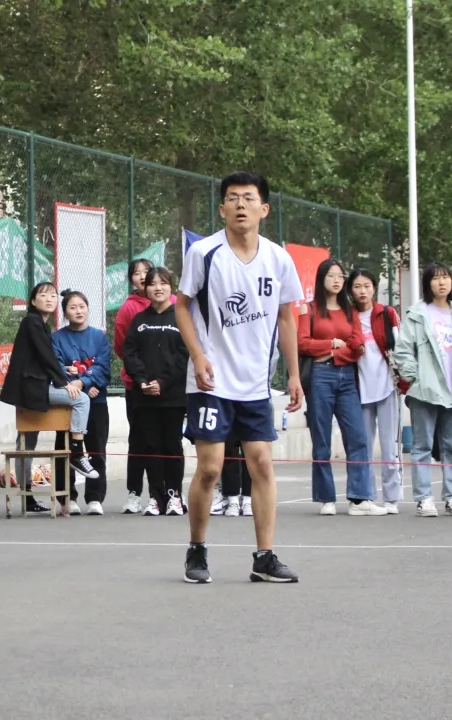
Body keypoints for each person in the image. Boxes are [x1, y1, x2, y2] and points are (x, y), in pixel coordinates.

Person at [175, 170, 304, 584]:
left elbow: (287, 318)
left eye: (248, 198)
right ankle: (197, 550)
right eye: (232, 198)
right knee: (210, 468)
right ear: (222, 209)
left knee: (262, 464)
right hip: (211, 381)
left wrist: (294, 374)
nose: (240, 205)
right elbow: (181, 306)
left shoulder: (278, 259)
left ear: (264, 209)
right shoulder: (204, 253)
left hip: (256, 384)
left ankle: (264, 558)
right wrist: (197, 356)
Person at [0, 281, 100, 509]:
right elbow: (45, 357)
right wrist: (64, 382)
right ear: (33, 301)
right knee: (81, 399)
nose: (49, 299)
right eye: (43, 295)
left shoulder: (41, 325)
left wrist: (63, 370)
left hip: (33, 388)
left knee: (26, 443)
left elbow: (42, 359)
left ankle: (27, 498)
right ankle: (77, 453)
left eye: (53, 296)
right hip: (32, 389)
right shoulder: (32, 322)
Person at [299, 259, 382, 515]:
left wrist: (333, 352)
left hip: (347, 377)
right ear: (321, 278)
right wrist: (332, 343)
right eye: (331, 275)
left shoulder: (350, 311)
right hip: (320, 377)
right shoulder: (309, 309)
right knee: (321, 439)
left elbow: (358, 345)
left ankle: (359, 498)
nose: (337, 280)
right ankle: (326, 498)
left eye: (340, 276)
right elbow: (302, 343)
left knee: (358, 437)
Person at [392, 262, 452, 518]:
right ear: (427, 284)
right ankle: (424, 498)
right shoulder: (417, 313)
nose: (442, 282)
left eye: (445, 277)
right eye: (436, 278)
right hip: (425, 390)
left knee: (451, 447)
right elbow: (403, 350)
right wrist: (415, 378)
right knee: (422, 446)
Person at [113, 258, 178, 513]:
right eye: (152, 283)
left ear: (171, 286)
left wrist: (163, 382)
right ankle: (153, 496)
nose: (157, 287)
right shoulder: (136, 316)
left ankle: (174, 496)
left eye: (162, 283)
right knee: (148, 444)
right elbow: (127, 351)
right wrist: (142, 381)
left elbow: (184, 355)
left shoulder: (180, 314)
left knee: (171, 444)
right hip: (141, 393)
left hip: (172, 394)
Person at [349, 267, 406, 513]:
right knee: (363, 444)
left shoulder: (386, 313)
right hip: (359, 390)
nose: (362, 291)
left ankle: (391, 497)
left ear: (374, 288)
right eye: (357, 286)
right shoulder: (348, 316)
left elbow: (400, 347)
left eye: (367, 286)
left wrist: (403, 379)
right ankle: (367, 495)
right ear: (351, 290)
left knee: (389, 444)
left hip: (387, 387)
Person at [52, 289, 112, 515]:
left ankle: (95, 498)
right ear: (65, 312)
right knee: (66, 450)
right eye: (73, 307)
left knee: (97, 449)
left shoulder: (99, 337)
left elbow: (103, 367)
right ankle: (67, 498)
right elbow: (56, 368)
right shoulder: (57, 338)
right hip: (69, 402)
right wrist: (82, 385)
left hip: (97, 401)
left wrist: (84, 382)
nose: (78, 311)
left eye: (82, 306)